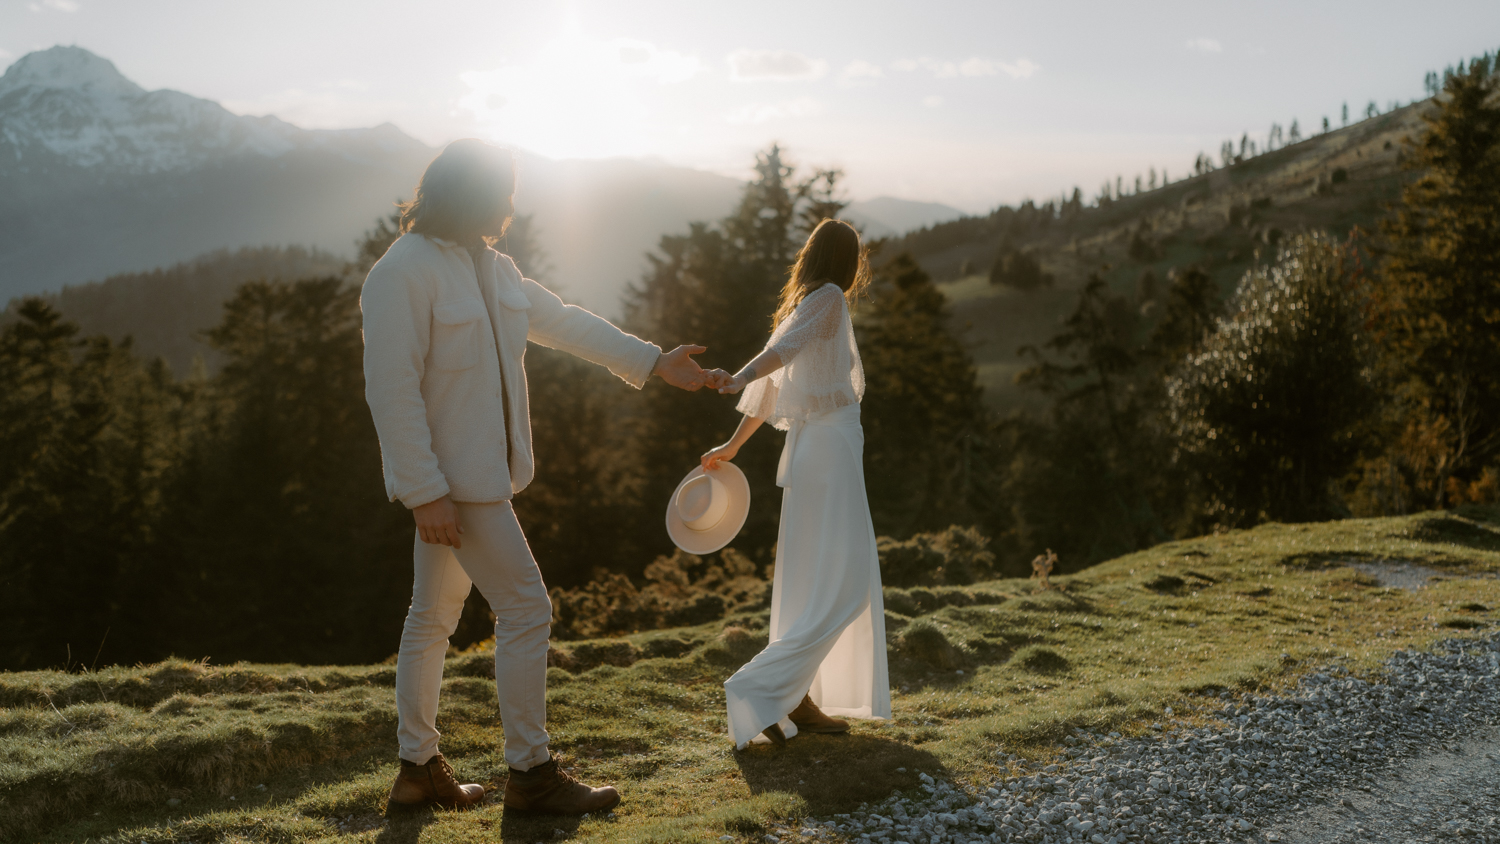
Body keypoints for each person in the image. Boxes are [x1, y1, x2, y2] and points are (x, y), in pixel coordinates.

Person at [362, 139, 714, 814]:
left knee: (430, 618)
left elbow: (566, 324)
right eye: (502, 190)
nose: (509, 204)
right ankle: (531, 775)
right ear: (468, 193)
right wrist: (424, 491)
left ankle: (416, 770)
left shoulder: (495, 269)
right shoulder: (401, 272)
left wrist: (654, 361)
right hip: (455, 489)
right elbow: (391, 389)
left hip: (482, 481)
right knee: (527, 609)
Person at [701, 218, 892, 749]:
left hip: (814, 452)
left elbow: (769, 388)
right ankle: (760, 688)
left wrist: (733, 446)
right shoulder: (828, 298)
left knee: (813, 579)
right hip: (827, 449)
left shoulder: (804, 303)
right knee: (847, 580)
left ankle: (794, 698)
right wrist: (738, 377)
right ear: (849, 262)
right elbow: (774, 366)